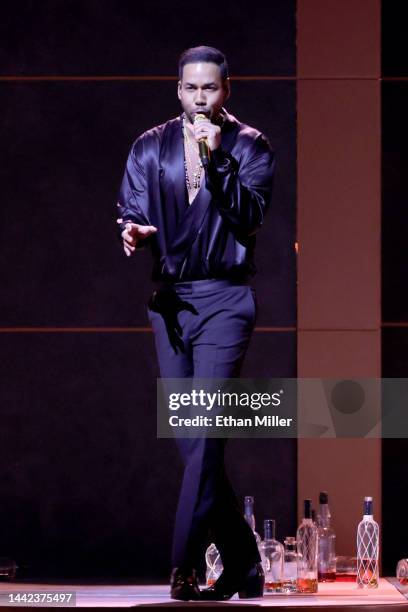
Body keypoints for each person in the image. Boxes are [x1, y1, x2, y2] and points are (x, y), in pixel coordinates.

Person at [116, 46, 275, 601]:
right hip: (170, 303)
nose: (200, 98)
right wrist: (135, 232)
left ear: (226, 89)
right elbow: (132, 209)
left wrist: (215, 160)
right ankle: (245, 564)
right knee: (193, 443)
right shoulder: (149, 146)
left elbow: (249, 214)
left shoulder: (250, 146)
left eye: (210, 88)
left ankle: (182, 566)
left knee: (204, 435)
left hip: (225, 300)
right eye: (191, 88)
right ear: (178, 89)